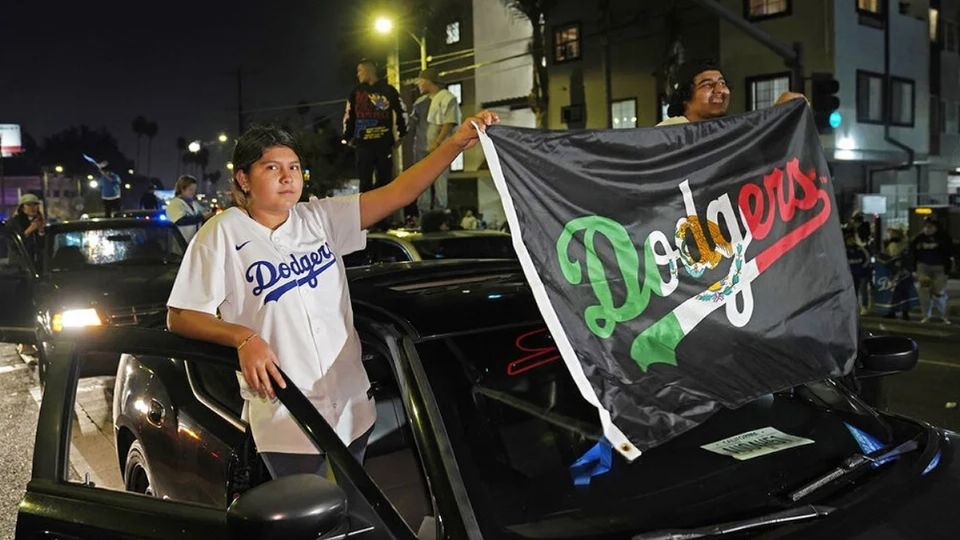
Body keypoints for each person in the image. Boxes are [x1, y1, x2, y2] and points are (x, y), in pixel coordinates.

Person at [166, 111, 499, 480]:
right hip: (287, 414)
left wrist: (454, 144)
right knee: (311, 521)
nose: (287, 176)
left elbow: (400, 192)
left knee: (356, 510)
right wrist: (243, 338)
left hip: (352, 405)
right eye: (271, 168)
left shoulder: (319, 218)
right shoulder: (222, 234)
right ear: (243, 178)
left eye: (294, 166)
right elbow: (180, 315)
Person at [656, 59, 805, 126]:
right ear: (685, 97)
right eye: (707, 85)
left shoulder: (728, 132)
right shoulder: (670, 131)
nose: (720, 90)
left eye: (722, 83)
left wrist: (782, 111)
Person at [343, 59, 407, 196]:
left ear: (369, 71)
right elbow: (349, 115)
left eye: (360, 71)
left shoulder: (389, 91)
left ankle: (385, 215)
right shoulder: (356, 92)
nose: (358, 75)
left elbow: (401, 112)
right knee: (364, 181)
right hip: (363, 145)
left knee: (385, 181)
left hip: (383, 144)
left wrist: (401, 136)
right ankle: (367, 215)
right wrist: (348, 137)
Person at [413, 68, 462, 212]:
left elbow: (449, 122)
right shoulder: (420, 102)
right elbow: (413, 123)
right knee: (422, 183)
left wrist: (437, 142)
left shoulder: (447, 98)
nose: (419, 84)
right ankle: (424, 215)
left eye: (421, 81)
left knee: (440, 182)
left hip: (440, 149)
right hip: (421, 148)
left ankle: (439, 214)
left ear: (429, 81)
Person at [911, 216, 954, 323]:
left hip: (940, 268)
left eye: (930, 226)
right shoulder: (920, 237)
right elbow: (912, 250)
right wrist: (913, 267)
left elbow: (951, 252)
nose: (927, 229)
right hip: (923, 267)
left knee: (938, 292)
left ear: (936, 227)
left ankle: (943, 315)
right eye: (926, 226)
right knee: (924, 290)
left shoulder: (944, 237)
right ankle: (926, 315)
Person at [874, 225, 918, 320]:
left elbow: (907, 257)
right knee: (893, 294)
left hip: (903, 272)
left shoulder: (904, 244)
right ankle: (892, 312)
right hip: (893, 272)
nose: (890, 235)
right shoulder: (890, 244)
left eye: (893, 233)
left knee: (904, 293)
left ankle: (905, 313)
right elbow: (887, 256)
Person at [165, 175, 212, 244]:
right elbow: (180, 221)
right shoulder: (174, 204)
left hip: (192, 244)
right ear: (182, 189)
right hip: (179, 247)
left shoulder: (193, 203)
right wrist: (202, 217)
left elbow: (204, 211)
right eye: (190, 189)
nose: (193, 192)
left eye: (194, 190)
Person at [4, 193, 45, 264]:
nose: (32, 208)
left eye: (35, 205)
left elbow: (44, 246)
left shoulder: (39, 220)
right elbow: (13, 244)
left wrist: (41, 231)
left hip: (38, 263)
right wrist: (29, 231)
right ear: (22, 207)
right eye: (29, 205)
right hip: (20, 264)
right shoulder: (14, 222)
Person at [844, 227, 872, 315]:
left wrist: (863, 267)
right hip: (852, 274)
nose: (851, 241)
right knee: (853, 291)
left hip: (862, 273)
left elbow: (867, 258)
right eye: (849, 239)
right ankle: (855, 307)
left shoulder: (860, 249)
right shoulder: (844, 250)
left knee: (863, 290)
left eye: (852, 239)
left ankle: (864, 306)